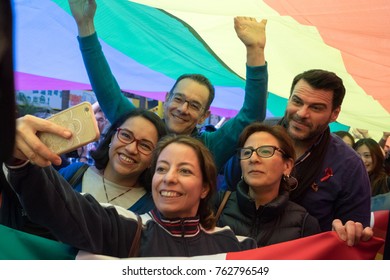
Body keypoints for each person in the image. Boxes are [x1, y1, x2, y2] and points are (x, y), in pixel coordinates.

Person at [68, 0, 268, 171]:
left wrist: (255, 50)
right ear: (167, 98)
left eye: (194, 105)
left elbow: (251, 116)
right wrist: (85, 26)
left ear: (205, 115)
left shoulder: (210, 147)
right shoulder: (140, 128)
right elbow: (108, 92)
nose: (182, 109)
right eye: (179, 99)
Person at [6, 135, 257, 258]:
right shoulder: (125, 227)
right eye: (161, 168)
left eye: (185, 170)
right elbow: (61, 207)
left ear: (205, 188)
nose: (168, 178)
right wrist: (21, 161)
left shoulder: (237, 246)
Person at [222, 69, 372, 233]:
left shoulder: (348, 165)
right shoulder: (256, 134)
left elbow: (354, 232)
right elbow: (227, 192)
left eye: (316, 108)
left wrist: (350, 233)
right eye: (297, 101)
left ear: (334, 114)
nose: (302, 113)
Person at [215, 123, 321, 247]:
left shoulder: (304, 226)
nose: (253, 158)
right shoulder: (216, 206)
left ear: (287, 166)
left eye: (265, 151)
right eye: (247, 152)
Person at [58, 108, 167, 212]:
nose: (131, 149)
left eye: (145, 146)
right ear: (112, 137)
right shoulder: (75, 173)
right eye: (126, 135)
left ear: (154, 159)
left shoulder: (151, 207)